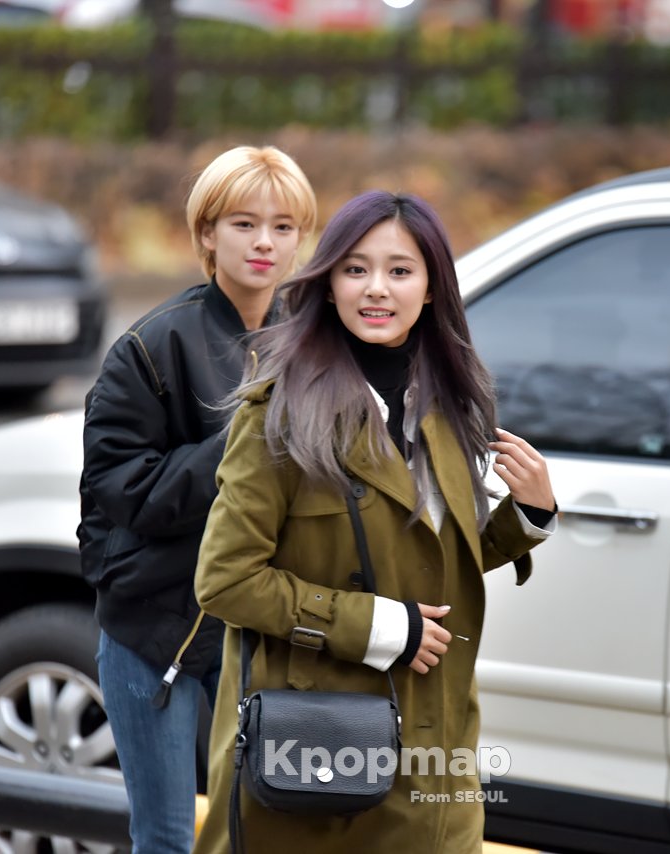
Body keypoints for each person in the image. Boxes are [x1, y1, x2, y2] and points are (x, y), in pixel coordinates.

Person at [193, 190, 557, 854]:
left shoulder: (448, 401)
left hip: (436, 751)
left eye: (400, 270)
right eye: (356, 269)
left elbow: (424, 555)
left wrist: (527, 515)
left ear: (431, 287)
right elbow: (225, 581)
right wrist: (376, 627)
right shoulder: (280, 412)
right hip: (317, 753)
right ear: (328, 283)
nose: (376, 289)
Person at [77, 145, 316, 854]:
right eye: (244, 224)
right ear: (207, 233)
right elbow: (123, 493)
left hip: (259, 630)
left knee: (260, 834)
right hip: (155, 633)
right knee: (166, 838)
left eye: (283, 227)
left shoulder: (311, 345)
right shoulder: (150, 346)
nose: (265, 242)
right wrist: (242, 446)